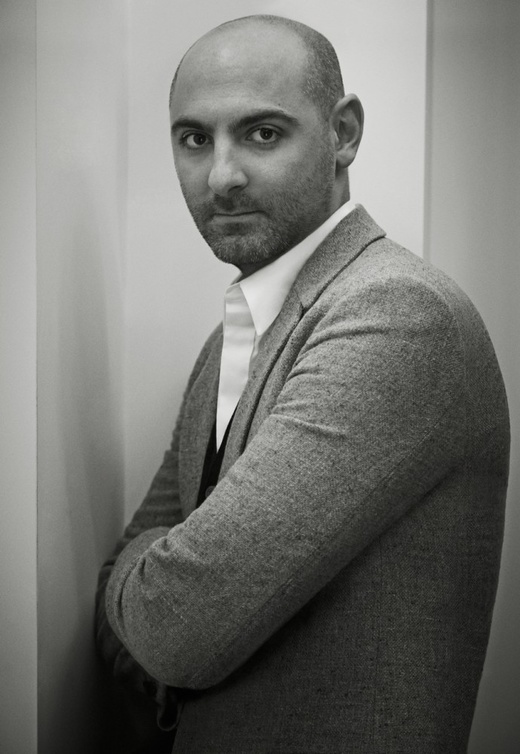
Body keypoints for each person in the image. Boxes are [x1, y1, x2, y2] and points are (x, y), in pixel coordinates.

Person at [95, 14, 510, 754]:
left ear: (343, 133)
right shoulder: (228, 341)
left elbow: (174, 626)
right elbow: (135, 602)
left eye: (262, 133)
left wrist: (156, 582)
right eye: (194, 139)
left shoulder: (397, 316)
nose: (221, 176)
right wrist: (154, 578)